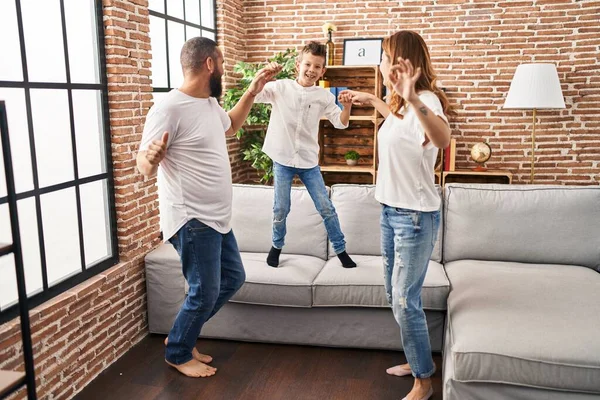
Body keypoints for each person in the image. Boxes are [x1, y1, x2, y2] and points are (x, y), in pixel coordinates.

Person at [136, 37, 278, 378]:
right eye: (223, 63)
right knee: (204, 291)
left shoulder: (208, 104)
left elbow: (232, 125)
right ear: (209, 65)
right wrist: (150, 159)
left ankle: (182, 335)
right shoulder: (168, 107)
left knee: (233, 277)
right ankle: (178, 351)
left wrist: (254, 89)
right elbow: (142, 163)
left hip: (216, 218)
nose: (225, 70)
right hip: (192, 218)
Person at [342, 31, 453, 400]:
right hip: (390, 211)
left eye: (385, 56)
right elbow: (399, 124)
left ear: (402, 62)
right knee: (396, 294)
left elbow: (441, 138)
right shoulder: (403, 106)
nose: (381, 64)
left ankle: (423, 381)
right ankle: (417, 357)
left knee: (405, 299)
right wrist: (375, 99)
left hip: (415, 217)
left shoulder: (426, 101)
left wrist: (410, 97)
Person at [253, 41, 357, 269]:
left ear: (323, 71)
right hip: (282, 158)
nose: (311, 70)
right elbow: (255, 95)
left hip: (309, 162)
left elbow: (340, 124)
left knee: (326, 207)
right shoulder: (280, 87)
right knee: (281, 207)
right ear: (298, 64)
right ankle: (276, 246)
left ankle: (340, 250)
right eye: (308, 64)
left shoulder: (324, 96)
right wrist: (265, 76)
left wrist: (347, 108)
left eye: (317, 66)